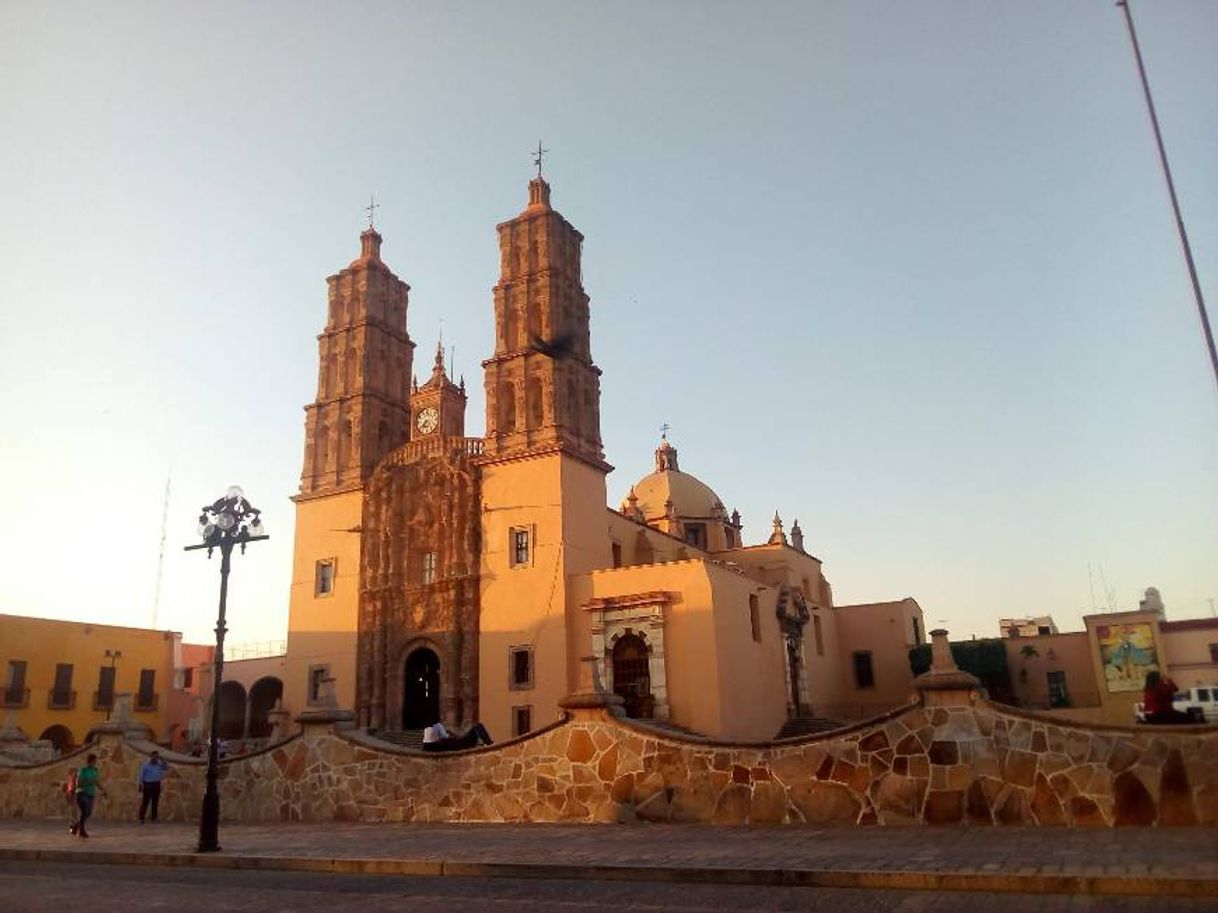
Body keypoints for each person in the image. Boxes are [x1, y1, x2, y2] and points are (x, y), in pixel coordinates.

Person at [70, 753, 106, 838]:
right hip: (82, 793)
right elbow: (79, 782)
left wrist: (103, 790)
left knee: (88, 813)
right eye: (93, 761)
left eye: (95, 761)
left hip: (90, 794)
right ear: (89, 761)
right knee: (85, 810)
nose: (94, 763)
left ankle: (76, 826)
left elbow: (96, 781)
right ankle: (82, 831)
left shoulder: (94, 770)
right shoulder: (83, 770)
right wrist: (89, 781)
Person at [421, 719, 493, 752]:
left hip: (460, 743)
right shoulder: (438, 727)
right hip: (462, 744)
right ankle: (489, 743)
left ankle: (488, 743)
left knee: (477, 727)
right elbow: (447, 737)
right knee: (478, 726)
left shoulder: (429, 729)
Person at [137, 750, 169, 823]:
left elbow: (166, 767)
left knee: (155, 802)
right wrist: (140, 784)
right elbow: (141, 775)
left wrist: (163, 760)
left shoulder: (159, 764)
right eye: (155, 756)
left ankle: (154, 817)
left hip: (156, 784)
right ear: (151, 756)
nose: (156, 758)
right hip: (148, 784)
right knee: (146, 802)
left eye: (157, 757)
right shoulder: (146, 765)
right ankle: (142, 817)